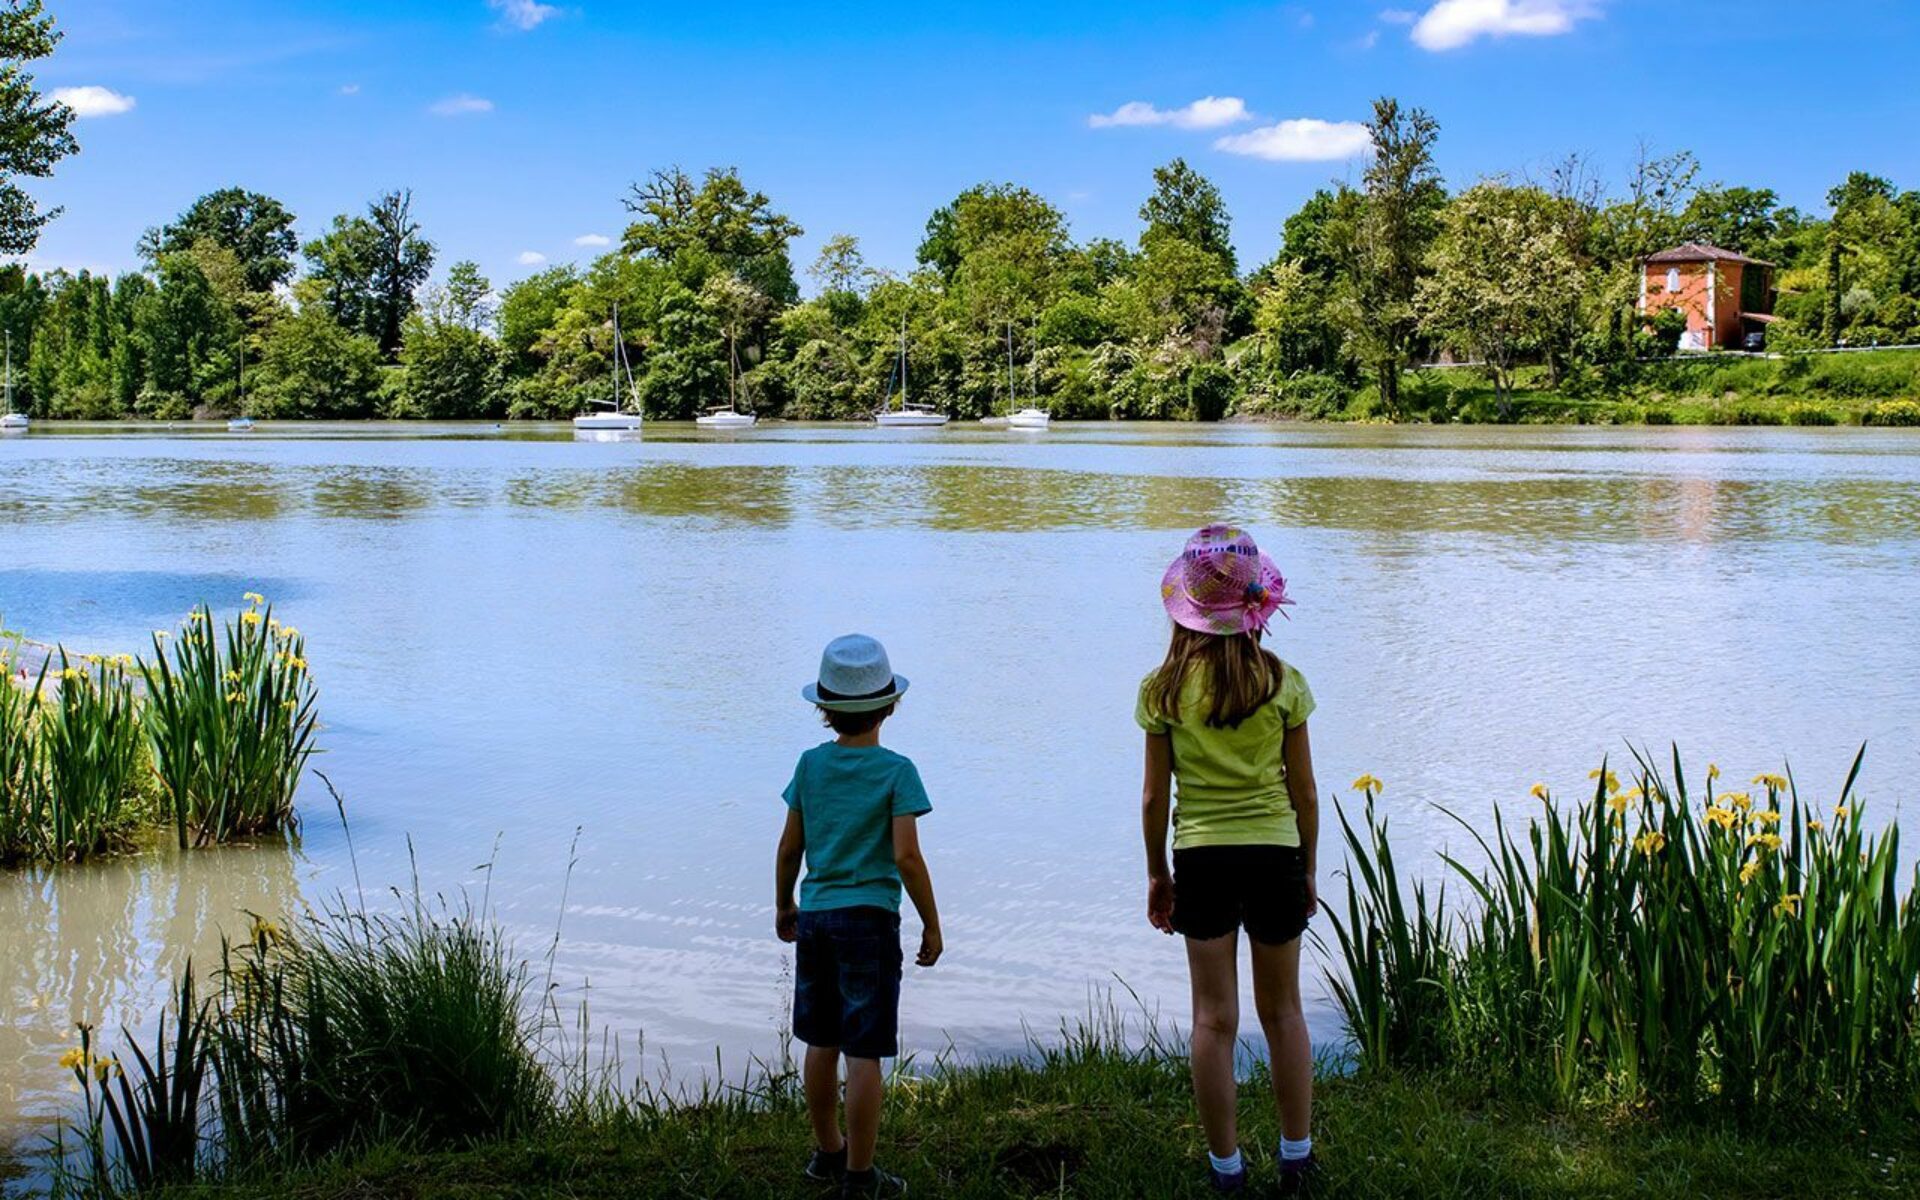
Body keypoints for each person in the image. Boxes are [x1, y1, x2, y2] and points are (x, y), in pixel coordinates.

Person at [1136, 525, 1322, 1195]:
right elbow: (1303, 792)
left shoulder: (1162, 690)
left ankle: (1227, 1171)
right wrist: (1306, 868)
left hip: (1203, 858)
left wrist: (1158, 873)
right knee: (1286, 1013)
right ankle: (1296, 1158)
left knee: (1214, 1019)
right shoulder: (1284, 682)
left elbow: (1155, 797)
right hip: (1275, 853)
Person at [776, 633, 943, 1199]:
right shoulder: (898, 772)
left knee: (820, 1041)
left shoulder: (809, 766)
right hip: (869, 922)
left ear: (824, 710)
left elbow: (788, 848)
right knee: (864, 1051)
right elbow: (906, 857)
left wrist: (784, 904)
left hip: (817, 918)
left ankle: (828, 1152)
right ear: (890, 704)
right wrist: (933, 923)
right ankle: (860, 1175)